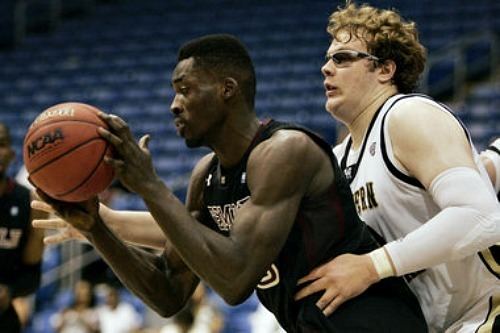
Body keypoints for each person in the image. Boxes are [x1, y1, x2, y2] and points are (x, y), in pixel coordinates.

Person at [32, 34, 427, 332]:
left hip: (373, 322)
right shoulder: (207, 176)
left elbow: (235, 281)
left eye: (184, 89)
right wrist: (96, 228)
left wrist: (149, 186)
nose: (173, 104)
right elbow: (169, 294)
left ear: (227, 90)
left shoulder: (285, 151)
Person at [293, 3, 500, 332]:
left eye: (343, 58)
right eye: (328, 58)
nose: (326, 68)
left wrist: (371, 266)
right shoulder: (336, 159)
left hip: (487, 310)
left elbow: (482, 217)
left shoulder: (407, 116)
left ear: (385, 69)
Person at [0, 122, 46, 333]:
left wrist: (9, 292)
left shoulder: (30, 203)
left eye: (1, 144)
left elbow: (32, 276)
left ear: (11, 153)